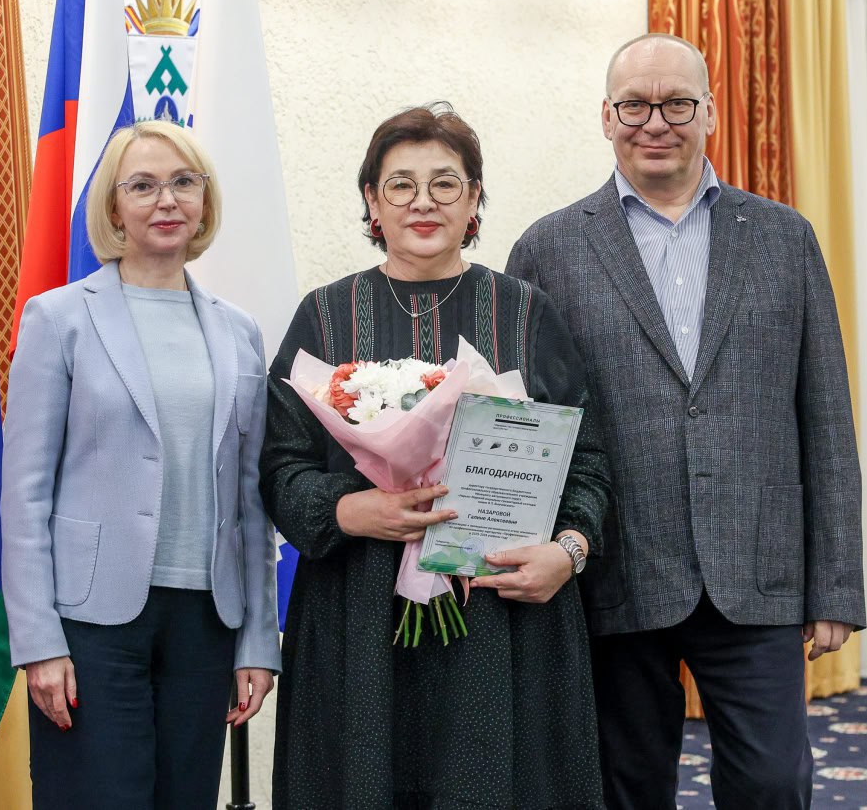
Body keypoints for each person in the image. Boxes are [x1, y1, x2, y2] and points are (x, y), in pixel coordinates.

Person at [507, 33, 864, 809]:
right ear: (606, 116)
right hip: (613, 569)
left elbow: (826, 417)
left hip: (757, 569)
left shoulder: (785, 237)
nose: (655, 122)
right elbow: (524, 424)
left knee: (774, 782)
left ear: (709, 111)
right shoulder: (547, 249)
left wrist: (835, 583)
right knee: (625, 788)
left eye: (676, 103)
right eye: (635, 105)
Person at [261, 103, 612, 809]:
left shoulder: (526, 313)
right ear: (372, 201)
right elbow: (278, 466)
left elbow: (590, 464)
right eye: (401, 185)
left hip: (504, 620)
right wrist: (349, 509)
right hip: (359, 620)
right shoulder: (325, 315)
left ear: (475, 198)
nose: (423, 201)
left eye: (446, 183)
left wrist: (567, 551)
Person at [0, 119, 280, 809]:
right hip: (91, 623)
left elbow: (251, 500)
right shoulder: (58, 318)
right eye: (144, 186)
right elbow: (25, 495)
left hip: (205, 621)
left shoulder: (238, 330)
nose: (167, 200)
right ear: (114, 207)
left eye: (184, 182)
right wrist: (38, 641)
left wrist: (257, 640)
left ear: (204, 201)